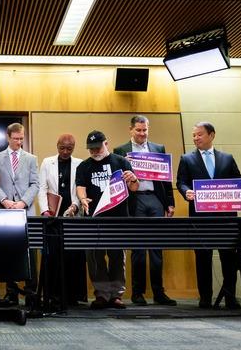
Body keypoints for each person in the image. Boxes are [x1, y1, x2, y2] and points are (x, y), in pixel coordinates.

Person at [176, 121, 241, 310]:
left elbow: (238, 182)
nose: (195, 138)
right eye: (193, 135)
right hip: (200, 219)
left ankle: (230, 297)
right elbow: (181, 182)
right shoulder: (187, 159)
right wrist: (186, 192)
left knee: (228, 257)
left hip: (226, 218)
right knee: (203, 258)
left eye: (199, 135)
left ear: (211, 135)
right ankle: (205, 298)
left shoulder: (227, 158)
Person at [113, 115, 177, 306]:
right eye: (138, 130)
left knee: (157, 247)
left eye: (145, 130)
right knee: (138, 248)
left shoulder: (158, 148)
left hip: (155, 199)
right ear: (130, 130)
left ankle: (159, 293)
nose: (142, 133)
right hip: (135, 200)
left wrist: (169, 202)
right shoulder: (120, 151)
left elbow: (165, 179)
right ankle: (138, 293)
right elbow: (117, 180)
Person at [75, 130, 139, 309]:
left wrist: (133, 178)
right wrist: (82, 199)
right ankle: (102, 294)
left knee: (117, 255)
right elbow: (80, 186)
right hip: (94, 218)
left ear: (106, 144)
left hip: (118, 218)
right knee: (95, 257)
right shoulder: (84, 166)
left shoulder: (121, 162)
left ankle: (116, 294)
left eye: (98, 147)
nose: (95, 151)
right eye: (91, 149)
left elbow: (134, 188)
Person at [38, 133, 87, 307]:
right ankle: (52, 295)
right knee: (53, 256)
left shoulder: (80, 163)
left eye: (69, 148)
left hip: (73, 214)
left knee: (73, 256)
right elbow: (42, 188)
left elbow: (80, 189)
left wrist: (75, 206)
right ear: (57, 145)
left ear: (74, 147)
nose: (65, 151)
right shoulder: (47, 162)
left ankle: (73, 296)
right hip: (52, 215)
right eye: (62, 148)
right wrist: (45, 211)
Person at [0, 122, 39, 304]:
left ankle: (31, 292)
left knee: (31, 251)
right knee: (7, 251)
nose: (19, 142)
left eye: (21, 139)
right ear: (8, 137)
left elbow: (35, 184)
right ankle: (10, 292)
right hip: (5, 210)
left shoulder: (31, 158)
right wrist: (4, 200)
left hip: (25, 210)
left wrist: (22, 202)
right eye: (15, 139)